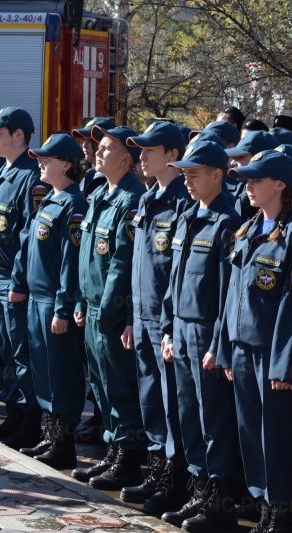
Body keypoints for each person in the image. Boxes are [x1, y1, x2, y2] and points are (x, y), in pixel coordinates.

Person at [220, 150, 292, 532]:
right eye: (246, 181)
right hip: (242, 349)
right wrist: (226, 346)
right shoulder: (249, 228)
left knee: (276, 435)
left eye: (257, 180)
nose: (249, 187)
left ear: (280, 183)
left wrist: (283, 364)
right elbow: (232, 296)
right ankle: (264, 501)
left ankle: (283, 508)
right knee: (250, 432)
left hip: (271, 354)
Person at [158, 140, 241, 532]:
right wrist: (169, 328)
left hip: (207, 333)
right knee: (189, 416)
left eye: (194, 174)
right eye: (184, 175)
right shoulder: (188, 215)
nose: (187, 181)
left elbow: (228, 294)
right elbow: (173, 282)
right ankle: (197, 491)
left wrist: (217, 345)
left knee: (214, 422)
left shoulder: (228, 222)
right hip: (183, 328)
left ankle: (219, 504)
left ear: (217, 175)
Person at [119, 121, 193, 513]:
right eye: (141, 150)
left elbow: (175, 275)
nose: (142, 156)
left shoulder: (183, 201)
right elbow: (139, 265)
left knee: (171, 401)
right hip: (142, 314)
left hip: (167, 321)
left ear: (173, 156)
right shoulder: (149, 197)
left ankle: (176, 476)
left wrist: (165, 324)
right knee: (150, 396)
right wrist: (132, 316)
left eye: (151, 150)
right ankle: (158, 465)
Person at [71, 125, 147, 489]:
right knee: (101, 385)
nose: (96, 153)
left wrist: (108, 308)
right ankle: (112, 451)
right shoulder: (101, 193)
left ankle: (128, 456)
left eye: (104, 148)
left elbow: (122, 262)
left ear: (126, 158)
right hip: (92, 304)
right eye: (96, 147)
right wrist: (81, 300)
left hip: (111, 311)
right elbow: (87, 256)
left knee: (119, 385)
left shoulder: (131, 200)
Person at [10, 133, 88, 468]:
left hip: (56, 303)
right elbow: (27, 247)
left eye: (48, 158)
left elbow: (71, 263)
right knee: (43, 370)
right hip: (37, 298)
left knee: (63, 374)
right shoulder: (49, 201)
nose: (40, 162)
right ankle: (49, 435)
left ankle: (64, 444)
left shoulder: (74, 204)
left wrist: (63, 307)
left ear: (67, 164)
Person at [0, 106, 47, 448]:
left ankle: (29, 422)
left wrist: (18, 282)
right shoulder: (3, 173)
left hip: (11, 280)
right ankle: (14, 415)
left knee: (23, 354)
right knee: (6, 352)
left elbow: (25, 237)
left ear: (18, 135)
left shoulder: (30, 176)